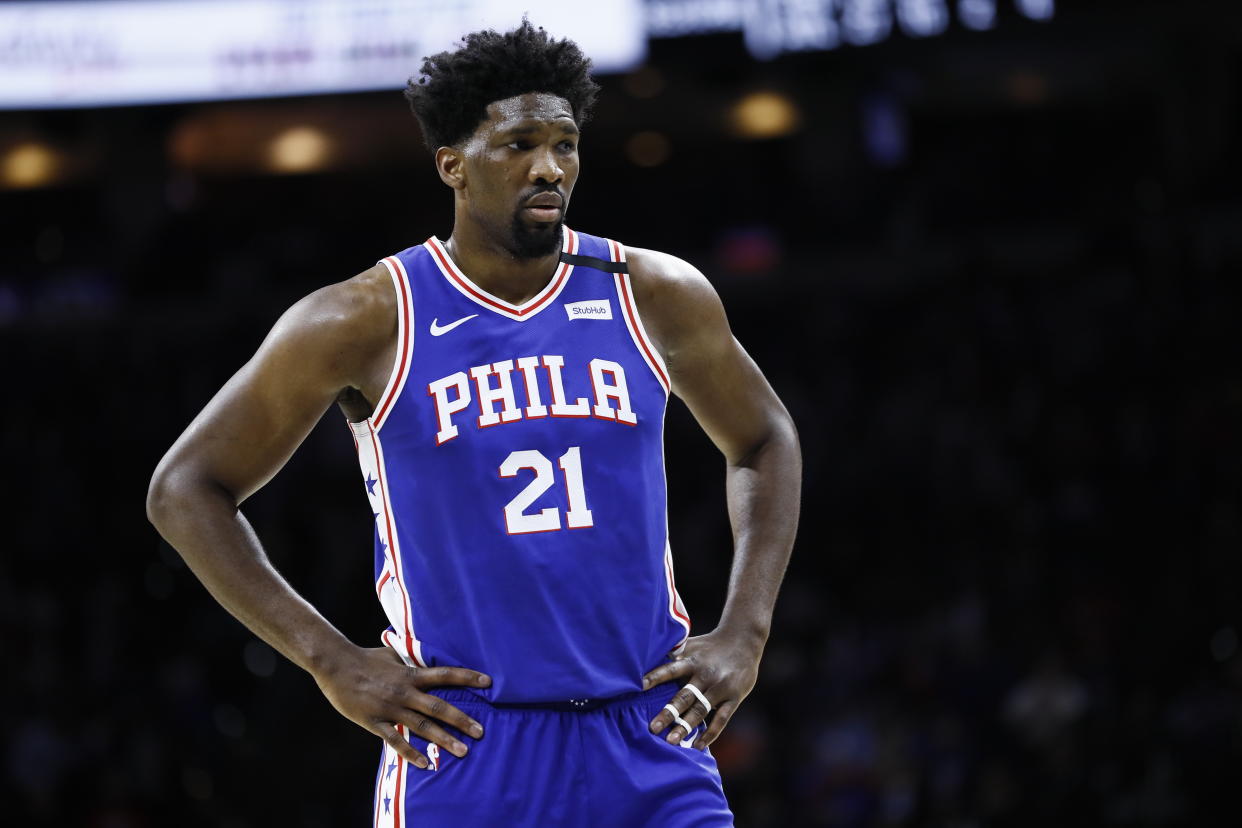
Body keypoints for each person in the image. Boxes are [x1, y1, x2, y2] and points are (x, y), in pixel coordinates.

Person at [146, 20, 800, 827]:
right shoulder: (365, 317)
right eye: (520, 143)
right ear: (453, 165)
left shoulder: (655, 292)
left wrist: (746, 630)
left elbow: (765, 439)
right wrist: (330, 660)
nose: (550, 166)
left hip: (651, 728)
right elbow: (185, 489)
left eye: (565, 142)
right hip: (468, 747)